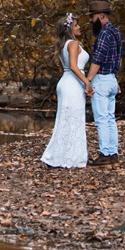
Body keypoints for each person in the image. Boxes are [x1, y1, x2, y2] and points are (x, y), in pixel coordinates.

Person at [41, 13, 92, 168]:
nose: (79, 27)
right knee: (72, 119)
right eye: (76, 25)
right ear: (70, 29)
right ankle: (67, 157)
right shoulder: (73, 44)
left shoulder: (65, 44)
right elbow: (73, 66)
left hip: (66, 82)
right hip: (72, 84)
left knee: (67, 120)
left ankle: (62, 156)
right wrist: (87, 82)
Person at [85, 0, 123, 166]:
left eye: (92, 17)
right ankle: (112, 152)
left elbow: (97, 59)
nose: (91, 21)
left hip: (101, 79)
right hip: (112, 79)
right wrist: (116, 79)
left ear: (101, 16)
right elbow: (119, 58)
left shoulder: (104, 34)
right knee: (110, 117)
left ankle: (105, 153)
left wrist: (88, 80)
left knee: (101, 118)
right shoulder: (116, 32)